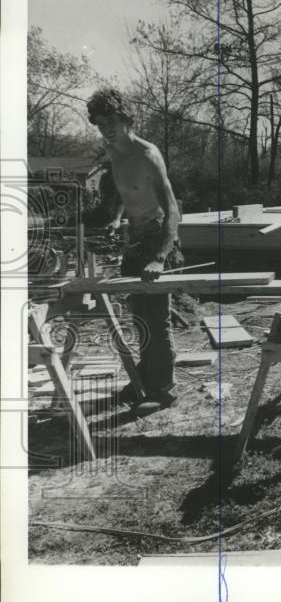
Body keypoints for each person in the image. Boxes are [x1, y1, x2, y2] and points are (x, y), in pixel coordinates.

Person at [87, 88, 183, 413]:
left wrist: (160, 257)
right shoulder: (113, 153)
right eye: (101, 124)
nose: (107, 129)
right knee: (138, 313)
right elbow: (121, 191)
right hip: (136, 236)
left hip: (159, 236)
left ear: (127, 118)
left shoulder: (148, 154)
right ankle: (146, 375)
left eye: (112, 121)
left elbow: (172, 210)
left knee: (157, 317)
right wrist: (115, 218)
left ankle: (164, 389)